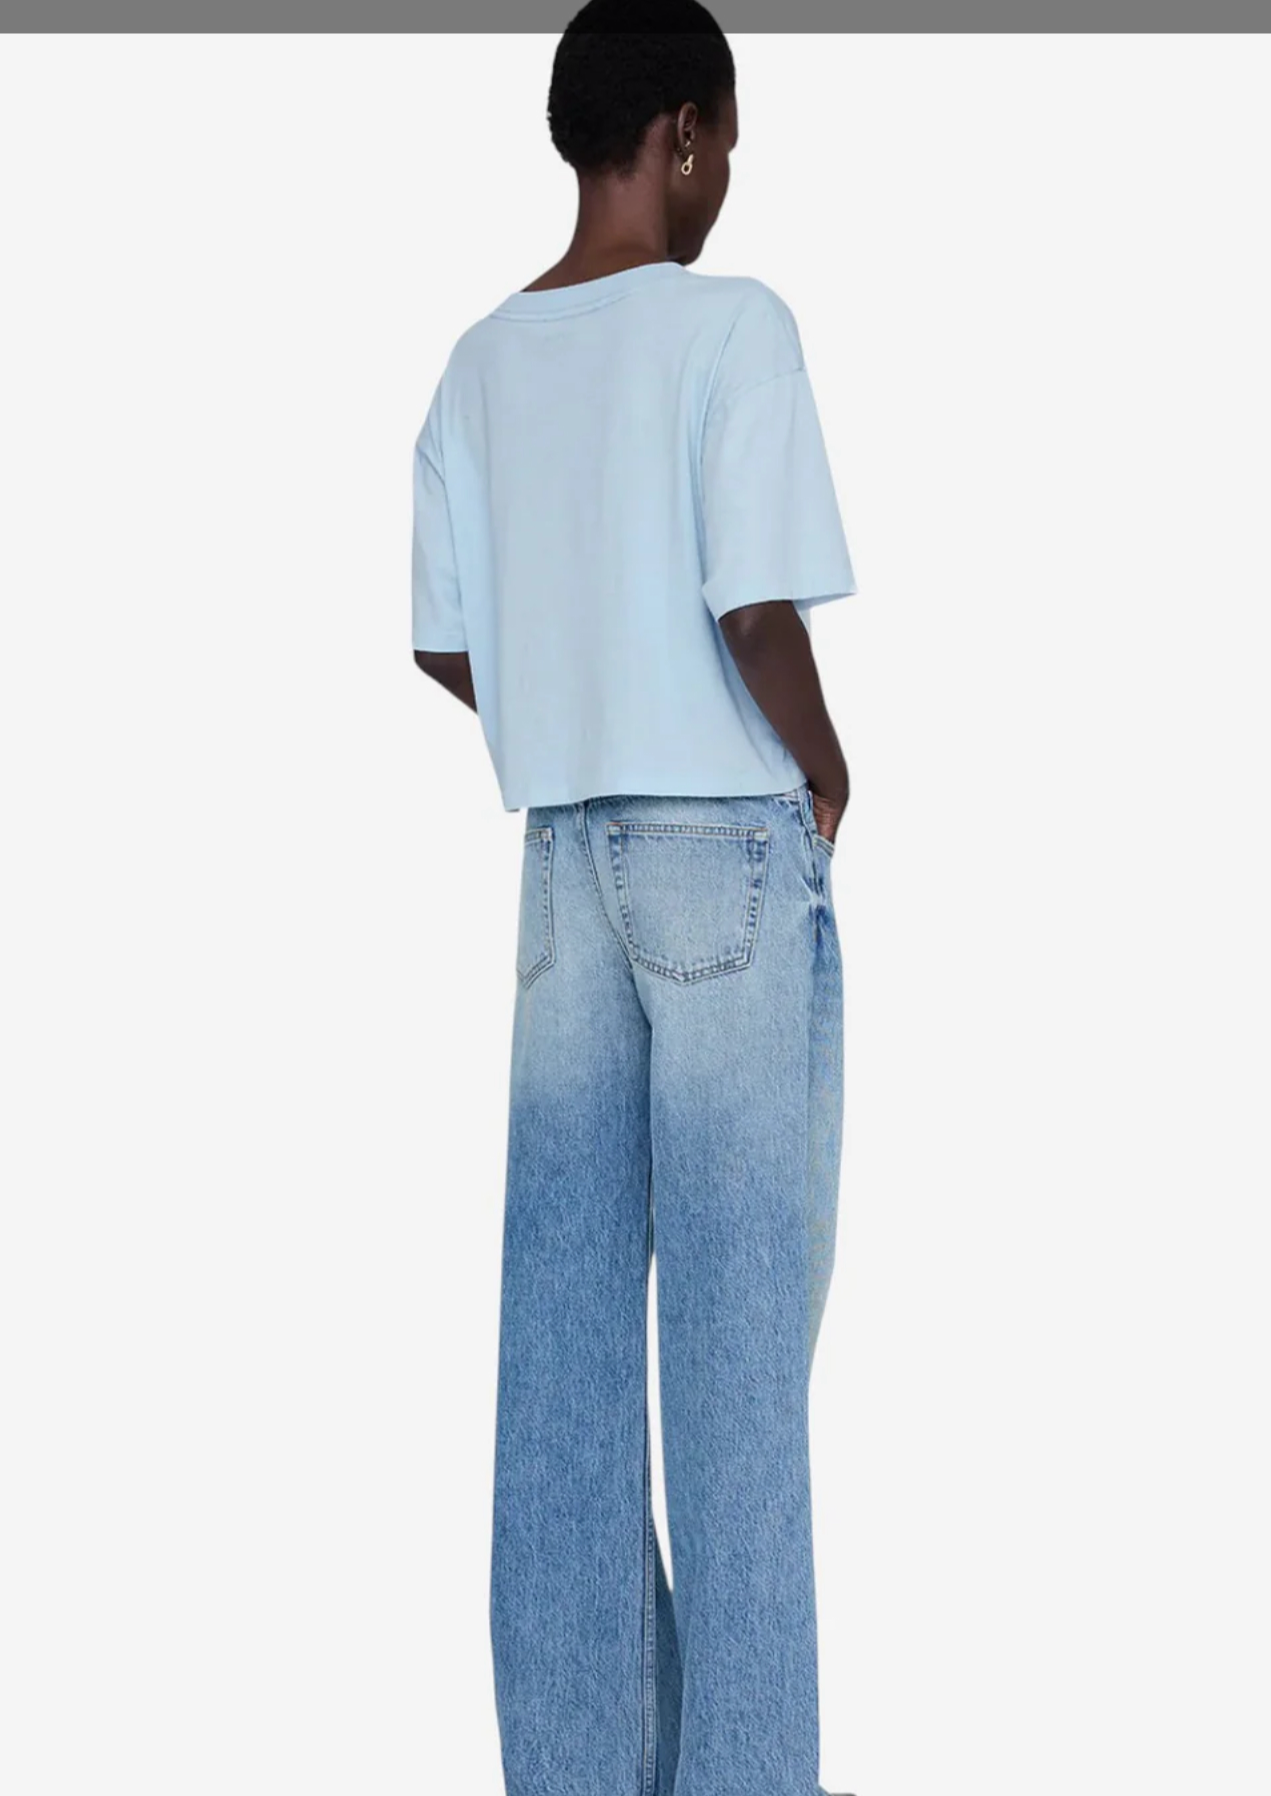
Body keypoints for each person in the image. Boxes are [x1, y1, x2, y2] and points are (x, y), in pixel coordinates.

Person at [411, 6, 858, 1793]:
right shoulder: (730, 326)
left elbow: (443, 640)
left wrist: (562, 698)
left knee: (564, 1376)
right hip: (724, 856)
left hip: (561, 872)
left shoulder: (476, 364)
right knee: (736, 1387)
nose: (726, 175)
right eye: (724, 141)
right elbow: (754, 608)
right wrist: (826, 765)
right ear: (679, 130)